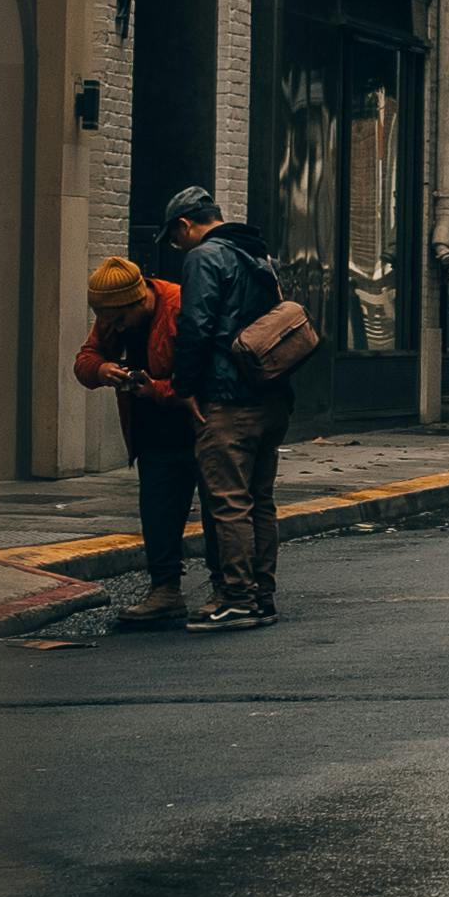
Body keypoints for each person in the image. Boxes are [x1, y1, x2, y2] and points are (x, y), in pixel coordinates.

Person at [160, 181, 291, 632]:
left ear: (185, 225)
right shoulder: (259, 255)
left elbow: (195, 327)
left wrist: (184, 387)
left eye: (174, 239)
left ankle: (236, 598)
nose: (177, 248)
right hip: (271, 397)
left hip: (228, 398)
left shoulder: (204, 257)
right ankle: (263, 596)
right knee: (260, 500)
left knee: (229, 500)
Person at [73, 255, 196, 629]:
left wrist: (155, 389)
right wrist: (101, 368)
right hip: (150, 429)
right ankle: (165, 591)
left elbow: (200, 377)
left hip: (197, 424)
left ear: (138, 300)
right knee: (158, 511)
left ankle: (230, 588)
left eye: (118, 320)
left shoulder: (180, 306)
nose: (112, 327)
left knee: (218, 509)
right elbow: (86, 357)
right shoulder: (114, 314)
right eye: (106, 319)